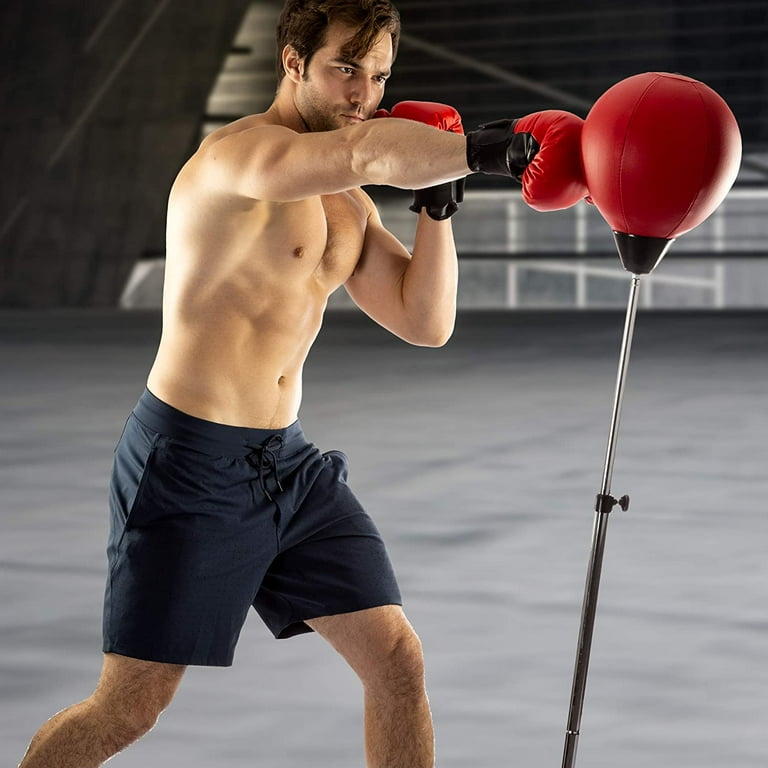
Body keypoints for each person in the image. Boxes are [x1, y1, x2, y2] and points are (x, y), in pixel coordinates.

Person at [18, 1, 587, 766]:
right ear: (293, 65)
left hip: (286, 465)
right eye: (344, 69)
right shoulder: (240, 161)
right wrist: (489, 149)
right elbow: (365, 154)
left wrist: (438, 210)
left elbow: (426, 322)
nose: (363, 95)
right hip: (189, 464)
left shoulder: (347, 208)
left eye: (379, 76)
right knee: (129, 708)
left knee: (396, 661)